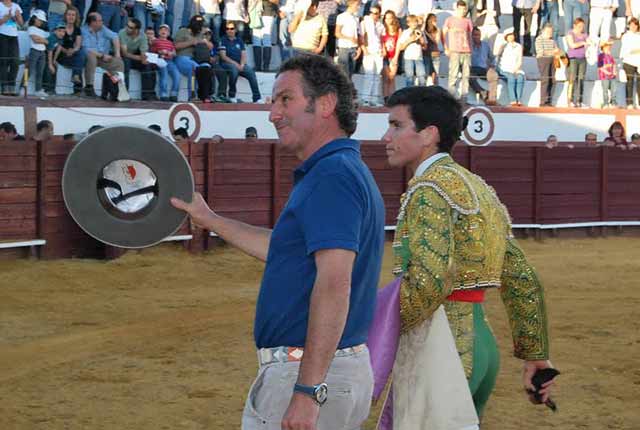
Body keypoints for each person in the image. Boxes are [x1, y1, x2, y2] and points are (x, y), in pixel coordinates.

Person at [170, 54, 385, 430]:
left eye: (285, 99)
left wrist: (307, 389)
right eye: (273, 101)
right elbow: (282, 251)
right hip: (328, 370)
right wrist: (211, 221)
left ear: (326, 104)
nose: (273, 113)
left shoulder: (332, 175)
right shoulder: (338, 170)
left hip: (307, 374)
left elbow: (334, 284)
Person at [376, 85, 556, 426]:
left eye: (396, 125)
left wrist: (377, 328)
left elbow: (429, 284)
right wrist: (536, 355)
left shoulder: (428, 190)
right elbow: (521, 278)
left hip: (443, 347)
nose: (386, 136)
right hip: (482, 348)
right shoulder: (479, 188)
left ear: (429, 134)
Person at [82, 12, 125, 98]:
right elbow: (87, 49)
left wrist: (117, 53)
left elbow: (115, 37)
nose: (102, 22)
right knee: (91, 57)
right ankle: (89, 87)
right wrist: (101, 56)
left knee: (119, 62)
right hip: (89, 57)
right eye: (100, 20)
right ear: (93, 22)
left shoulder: (102, 28)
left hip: (103, 58)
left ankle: (115, 88)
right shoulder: (84, 31)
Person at [219, 20, 262, 103]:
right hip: (227, 64)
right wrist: (236, 64)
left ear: (235, 30)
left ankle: (257, 97)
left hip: (239, 64)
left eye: (231, 28)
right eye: (227, 29)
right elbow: (223, 56)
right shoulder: (223, 40)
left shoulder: (239, 40)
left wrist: (242, 65)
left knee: (251, 72)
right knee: (234, 70)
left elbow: (243, 54)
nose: (229, 30)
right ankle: (232, 95)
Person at [119, 17, 157, 100]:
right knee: (126, 63)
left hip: (134, 56)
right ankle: (125, 93)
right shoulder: (122, 32)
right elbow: (125, 53)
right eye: (127, 26)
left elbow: (144, 53)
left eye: (131, 27)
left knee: (148, 65)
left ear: (137, 30)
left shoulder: (142, 36)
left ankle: (147, 95)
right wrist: (140, 58)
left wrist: (143, 59)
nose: (127, 28)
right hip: (122, 56)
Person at [443, 1, 473, 101]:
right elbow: (443, 33)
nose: (462, 11)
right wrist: (446, 48)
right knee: (453, 74)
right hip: (454, 50)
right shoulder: (450, 20)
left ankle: (464, 96)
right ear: (456, 8)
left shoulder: (468, 21)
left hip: (466, 51)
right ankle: (451, 96)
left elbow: (470, 35)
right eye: (460, 9)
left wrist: (470, 49)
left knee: (466, 75)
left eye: (464, 9)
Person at [57, 7, 86, 94]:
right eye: (69, 14)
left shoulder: (77, 29)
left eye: (73, 15)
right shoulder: (60, 26)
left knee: (80, 53)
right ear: (65, 16)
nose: (71, 17)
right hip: (61, 54)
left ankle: (76, 76)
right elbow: (57, 43)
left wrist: (72, 50)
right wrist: (66, 51)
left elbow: (78, 45)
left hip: (72, 55)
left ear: (76, 17)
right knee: (80, 59)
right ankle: (78, 89)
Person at [360, 3, 384, 105]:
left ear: (379, 14)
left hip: (378, 51)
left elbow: (382, 38)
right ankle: (366, 98)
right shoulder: (364, 22)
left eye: (376, 13)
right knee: (369, 74)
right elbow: (361, 36)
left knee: (377, 75)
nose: (373, 15)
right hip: (368, 50)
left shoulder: (381, 25)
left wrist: (383, 49)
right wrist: (363, 48)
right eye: (372, 12)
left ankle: (374, 99)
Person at [150, 23, 180, 101]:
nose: (164, 31)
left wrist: (170, 53)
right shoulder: (156, 41)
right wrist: (160, 52)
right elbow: (152, 51)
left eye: (166, 30)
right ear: (158, 32)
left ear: (168, 33)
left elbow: (174, 53)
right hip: (160, 60)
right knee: (164, 74)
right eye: (161, 30)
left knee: (177, 75)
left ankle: (174, 94)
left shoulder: (170, 42)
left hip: (169, 61)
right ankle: (163, 94)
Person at [0, 0, 24, 96]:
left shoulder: (16, 6)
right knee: (3, 62)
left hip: (13, 36)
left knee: (15, 62)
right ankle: (4, 87)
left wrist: (17, 17)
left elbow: (21, 24)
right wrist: (6, 18)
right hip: (2, 35)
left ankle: (12, 85)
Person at [469, 26, 498, 105]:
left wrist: (492, 66)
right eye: (474, 35)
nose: (476, 37)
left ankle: (492, 99)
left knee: (493, 75)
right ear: (471, 36)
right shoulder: (468, 45)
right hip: (472, 68)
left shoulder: (485, 45)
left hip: (483, 68)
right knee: (469, 76)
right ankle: (484, 94)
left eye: (478, 35)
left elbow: (492, 57)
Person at [397, 14, 427, 88]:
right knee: (409, 78)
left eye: (415, 22)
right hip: (408, 58)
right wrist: (410, 40)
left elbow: (425, 47)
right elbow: (401, 47)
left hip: (418, 57)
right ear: (408, 23)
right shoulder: (405, 32)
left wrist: (421, 40)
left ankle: (422, 95)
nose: (414, 24)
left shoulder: (421, 32)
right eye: (412, 22)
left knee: (422, 77)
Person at [497, 28, 526, 106]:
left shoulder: (519, 46)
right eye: (509, 36)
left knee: (520, 77)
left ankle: (519, 99)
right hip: (504, 69)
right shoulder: (503, 46)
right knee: (511, 78)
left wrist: (516, 69)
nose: (511, 37)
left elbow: (520, 59)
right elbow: (498, 58)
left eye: (512, 35)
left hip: (515, 68)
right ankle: (513, 100)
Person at [335, 0, 361, 78]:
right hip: (344, 48)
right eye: (357, 5)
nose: (359, 7)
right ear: (351, 4)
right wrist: (349, 38)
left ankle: (348, 90)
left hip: (354, 48)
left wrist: (359, 47)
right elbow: (337, 33)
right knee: (343, 74)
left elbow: (358, 34)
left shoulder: (356, 18)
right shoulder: (341, 17)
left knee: (350, 75)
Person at [535, 23, 559, 106]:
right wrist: (553, 52)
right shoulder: (539, 39)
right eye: (548, 31)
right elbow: (540, 52)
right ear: (543, 31)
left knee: (553, 80)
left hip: (552, 60)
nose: (550, 33)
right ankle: (543, 101)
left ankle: (549, 100)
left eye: (551, 31)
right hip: (543, 60)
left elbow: (556, 49)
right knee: (545, 80)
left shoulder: (553, 40)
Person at [566, 17, 588, 108]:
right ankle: (570, 99)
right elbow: (572, 45)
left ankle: (579, 100)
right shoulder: (570, 33)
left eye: (582, 26)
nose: (581, 28)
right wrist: (583, 43)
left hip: (583, 59)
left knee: (581, 79)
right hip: (573, 59)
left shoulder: (585, 35)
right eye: (579, 26)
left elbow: (590, 43)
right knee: (572, 79)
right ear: (574, 25)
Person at [28, 9, 49, 98]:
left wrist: (42, 40)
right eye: (39, 20)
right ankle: (22, 87)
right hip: (34, 51)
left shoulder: (43, 31)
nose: (41, 22)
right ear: (34, 19)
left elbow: (47, 42)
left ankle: (38, 89)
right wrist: (43, 40)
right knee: (30, 70)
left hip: (42, 52)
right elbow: (35, 40)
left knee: (40, 72)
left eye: (41, 21)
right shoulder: (31, 28)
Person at [381, 10, 401, 102]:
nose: (388, 20)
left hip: (393, 56)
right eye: (386, 18)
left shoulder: (398, 29)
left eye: (390, 17)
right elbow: (381, 41)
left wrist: (396, 57)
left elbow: (399, 44)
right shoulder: (382, 28)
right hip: (385, 56)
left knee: (392, 77)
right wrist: (383, 48)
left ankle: (392, 98)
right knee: (386, 77)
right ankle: (386, 98)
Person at [620, 18, 640, 109]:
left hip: (638, 62)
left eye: (635, 25)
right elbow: (627, 50)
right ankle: (629, 103)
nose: (634, 27)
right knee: (629, 83)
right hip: (628, 61)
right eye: (632, 25)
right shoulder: (626, 36)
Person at [598, 39, 617, 108]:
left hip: (612, 76)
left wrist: (614, 71)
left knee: (613, 89)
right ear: (603, 49)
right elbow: (600, 67)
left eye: (609, 48)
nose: (608, 49)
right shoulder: (601, 56)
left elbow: (614, 64)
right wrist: (606, 71)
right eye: (606, 48)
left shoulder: (610, 56)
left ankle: (613, 102)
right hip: (604, 76)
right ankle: (605, 102)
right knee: (605, 90)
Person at [424, 13, 441, 85]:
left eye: (436, 20)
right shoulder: (424, 29)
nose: (435, 22)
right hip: (426, 54)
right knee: (426, 74)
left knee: (435, 75)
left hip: (435, 54)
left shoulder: (437, 30)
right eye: (433, 20)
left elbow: (436, 41)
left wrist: (427, 34)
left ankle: (435, 89)